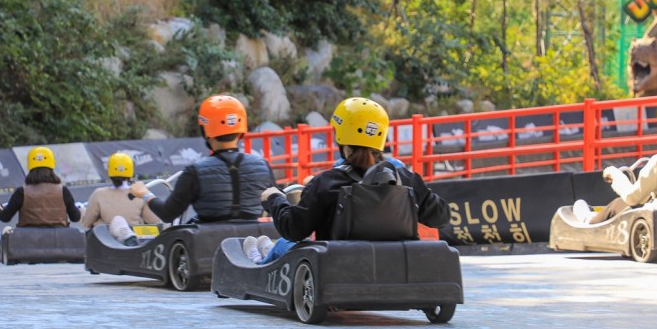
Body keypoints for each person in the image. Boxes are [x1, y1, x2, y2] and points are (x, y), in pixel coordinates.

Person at [256, 97, 450, 263]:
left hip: (340, 266)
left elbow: (294, 229)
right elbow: (441, 216)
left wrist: (275, 199)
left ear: (341, 138)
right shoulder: (406, 180)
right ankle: (264, 250)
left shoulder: (325, 183)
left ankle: (260, 258)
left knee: (285, 244)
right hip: (398, 263)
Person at [129, 94, 276, 226]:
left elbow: (168, 214)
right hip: (252, 239)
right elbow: (276, 205)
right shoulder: (262, 166)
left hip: (207, 244)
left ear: (206, 131)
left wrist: (144, 193)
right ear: (241, 130)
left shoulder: (194, 171)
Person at [80, 152, 162, 246]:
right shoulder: (140, 193)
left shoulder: (99, 194)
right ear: (130, 171)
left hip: (108, 242)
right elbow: (154, 221)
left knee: (100, 223)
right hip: (137, 241)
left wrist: (82, 211)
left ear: (109, 171)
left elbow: (86, 223)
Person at [0, 146, 81, 228]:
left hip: (28, 241)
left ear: (30, 166)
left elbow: (5, 217)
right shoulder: (63, 191)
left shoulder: (22, 192)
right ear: (52, 165)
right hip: (59, 240)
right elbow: (75, 217)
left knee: (7, 230)